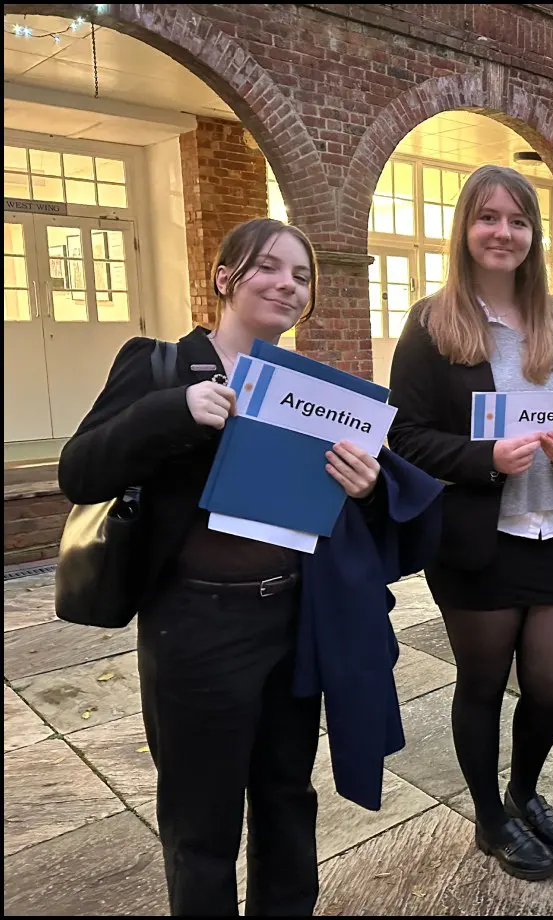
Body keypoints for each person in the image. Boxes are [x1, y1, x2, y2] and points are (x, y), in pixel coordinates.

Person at [57, 218, 440, 916]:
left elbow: (364, 508)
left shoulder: (316, 392)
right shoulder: (160, 365)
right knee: (201, 819)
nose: (288, 284)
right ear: (225, 278)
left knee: (286, 800)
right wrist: (174, 411)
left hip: (293, 620)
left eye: (301, 276)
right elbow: (79, 471)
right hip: (195, 626)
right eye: (269, 267)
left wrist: (365, 486)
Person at [387, 165, 553, 881]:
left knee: (551, 686)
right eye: (488, 217)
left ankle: (524, 789)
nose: (502, 232)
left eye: (517, 220)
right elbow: (407, 435)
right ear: (466, 230)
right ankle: (489, 817)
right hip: (480, 538)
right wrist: (484, 457)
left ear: (535, 234)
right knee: (482, 683)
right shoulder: (431, 324)